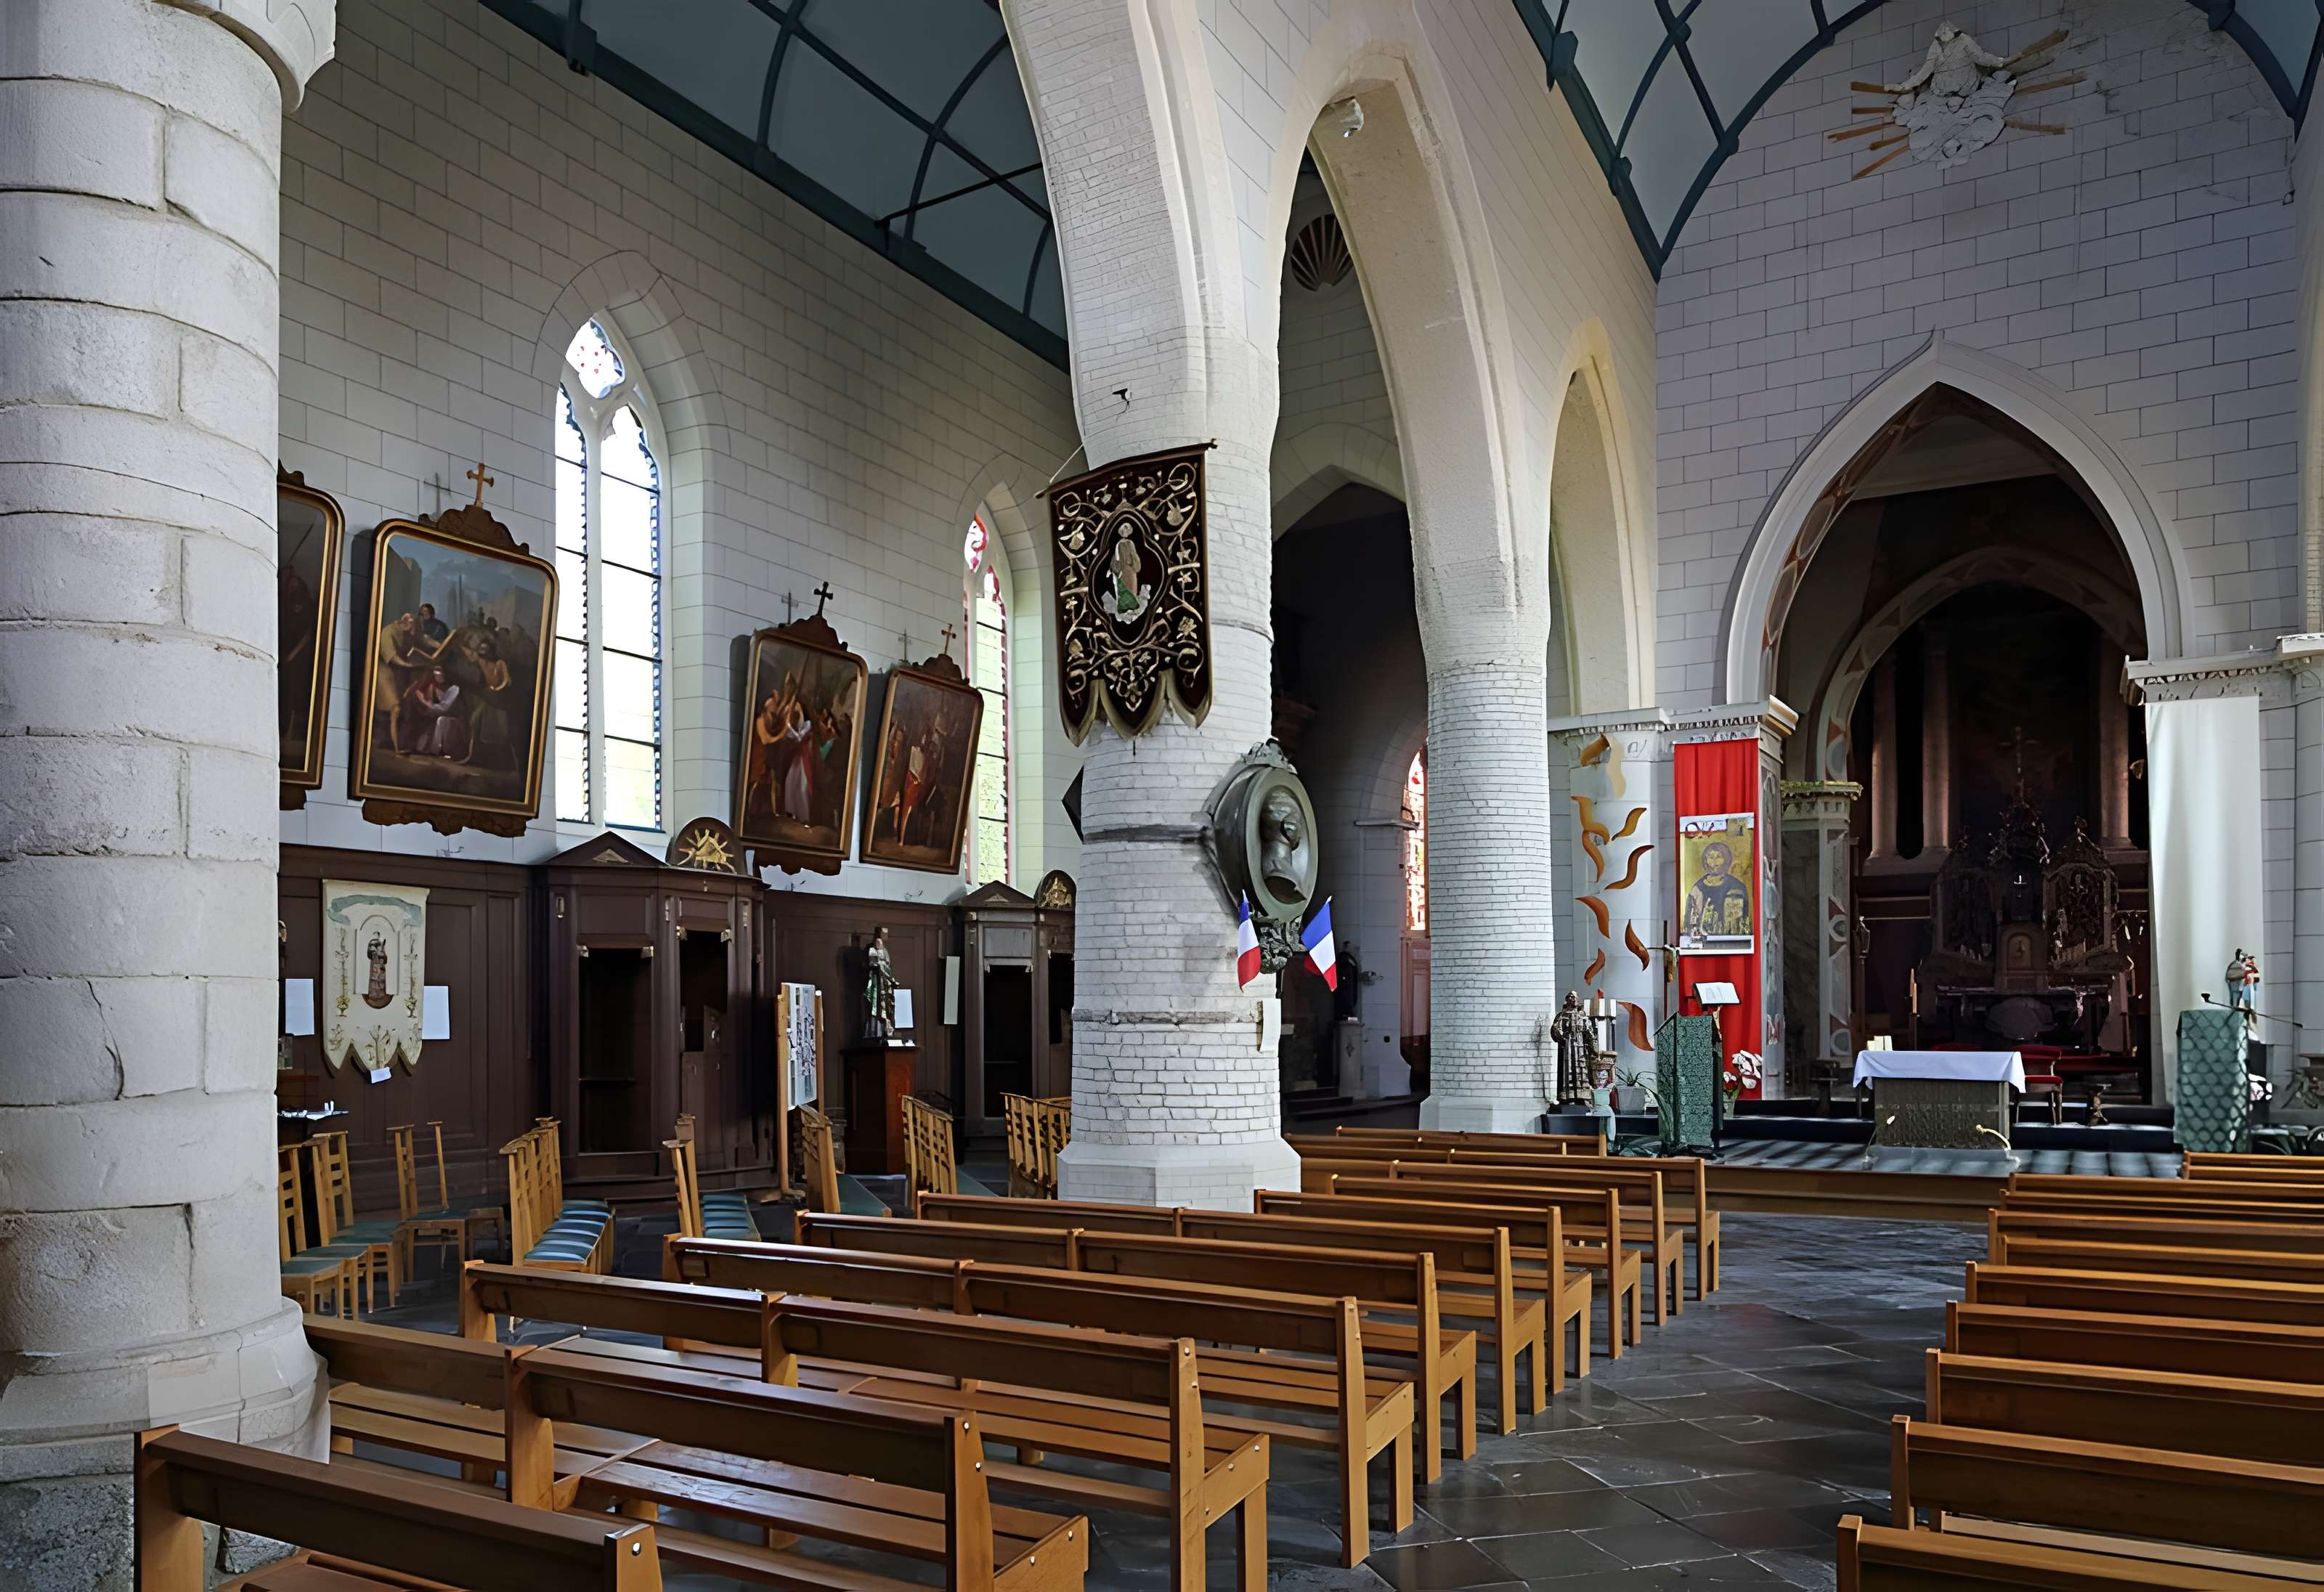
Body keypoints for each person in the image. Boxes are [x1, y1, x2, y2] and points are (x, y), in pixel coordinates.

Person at [1683, 840, 1752, 946]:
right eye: (1710, 857)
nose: (1714, 862)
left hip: (1728, 944)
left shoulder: (1736, 887)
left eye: (1718, 857)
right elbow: (1689, 921)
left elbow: (1736, 925)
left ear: (1726, 860)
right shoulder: (1697, 888)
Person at [401, 667, 468, 760]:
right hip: (441, 715)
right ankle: (418, 747)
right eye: (436, 675)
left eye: (440, 674)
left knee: (440, 721)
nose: (439, 677)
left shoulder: (454, 689)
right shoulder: (433, 686)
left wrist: (424, 701)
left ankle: (436, 750)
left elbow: (443, 708)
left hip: (456, 720)